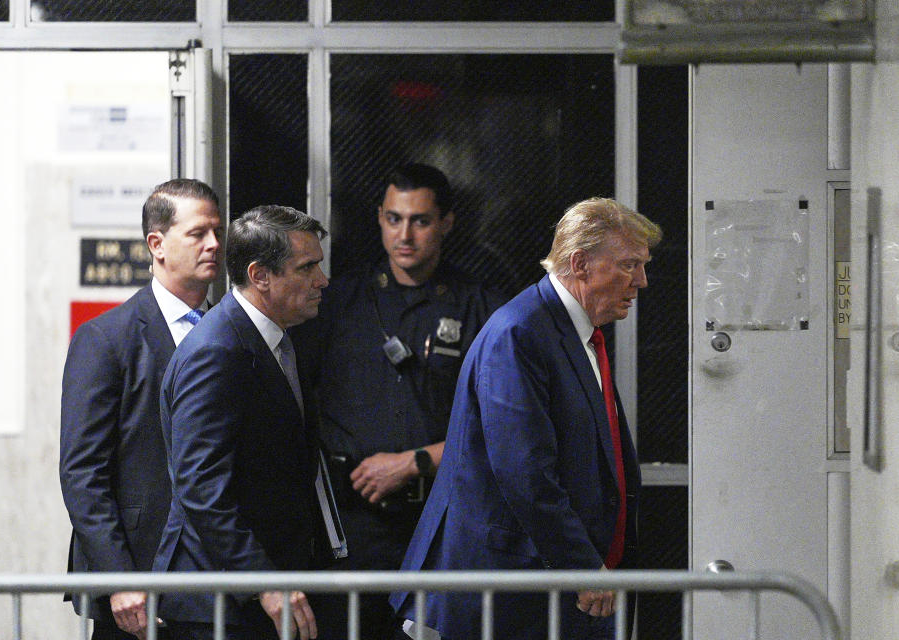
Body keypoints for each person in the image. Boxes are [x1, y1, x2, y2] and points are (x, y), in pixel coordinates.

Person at [389, 197, 662, 640]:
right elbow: (525, 472)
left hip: (544, 590)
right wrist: (582, 568)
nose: (642, 281)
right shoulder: (519, 333)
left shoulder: (574, 331)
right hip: (504, 594)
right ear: (580, 264)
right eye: (630, 265)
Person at [290, 162, 506, 639]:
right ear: (380, 219)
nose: (404, 234)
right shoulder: (337, 301)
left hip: (441, 523)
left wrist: (415, 462)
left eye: (420, 220)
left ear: (446, 223)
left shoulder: (481, 308)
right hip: (349, 529)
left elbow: (504, 426)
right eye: (393, 219)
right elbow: (294, 401)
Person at [152, 205, 333, 640]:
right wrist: (262, 582)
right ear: (260, 275)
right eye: (307, 267)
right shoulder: (218, 350)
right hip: (218, 604)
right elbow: (200, 485)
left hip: (251, 595)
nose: (322, 280)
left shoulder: (274, 339)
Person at [59, 178, 223, 640]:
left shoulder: (229, 333)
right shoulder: (107, 339)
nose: (213, 244)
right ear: (157, 244)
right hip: (140, 577)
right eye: (197, 234)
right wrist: (120, 577)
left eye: (217, 231)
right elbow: (81, 474)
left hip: (222, 579)